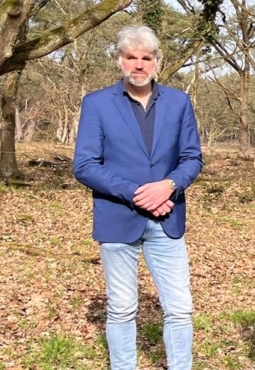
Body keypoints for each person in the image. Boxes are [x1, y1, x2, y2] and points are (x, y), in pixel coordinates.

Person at [73, 25, 204, 369]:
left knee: (179, 308)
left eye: (146, 57)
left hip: (168, 219)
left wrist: (169, 185)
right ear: (119, 60)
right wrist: (136, 193)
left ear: (157, 61)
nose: (139, 64)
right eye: (131, 57)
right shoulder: (97, 103)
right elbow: (85, 165)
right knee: (121, 308)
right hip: (117, 219)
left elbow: (192, 158)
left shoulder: (178, 102)